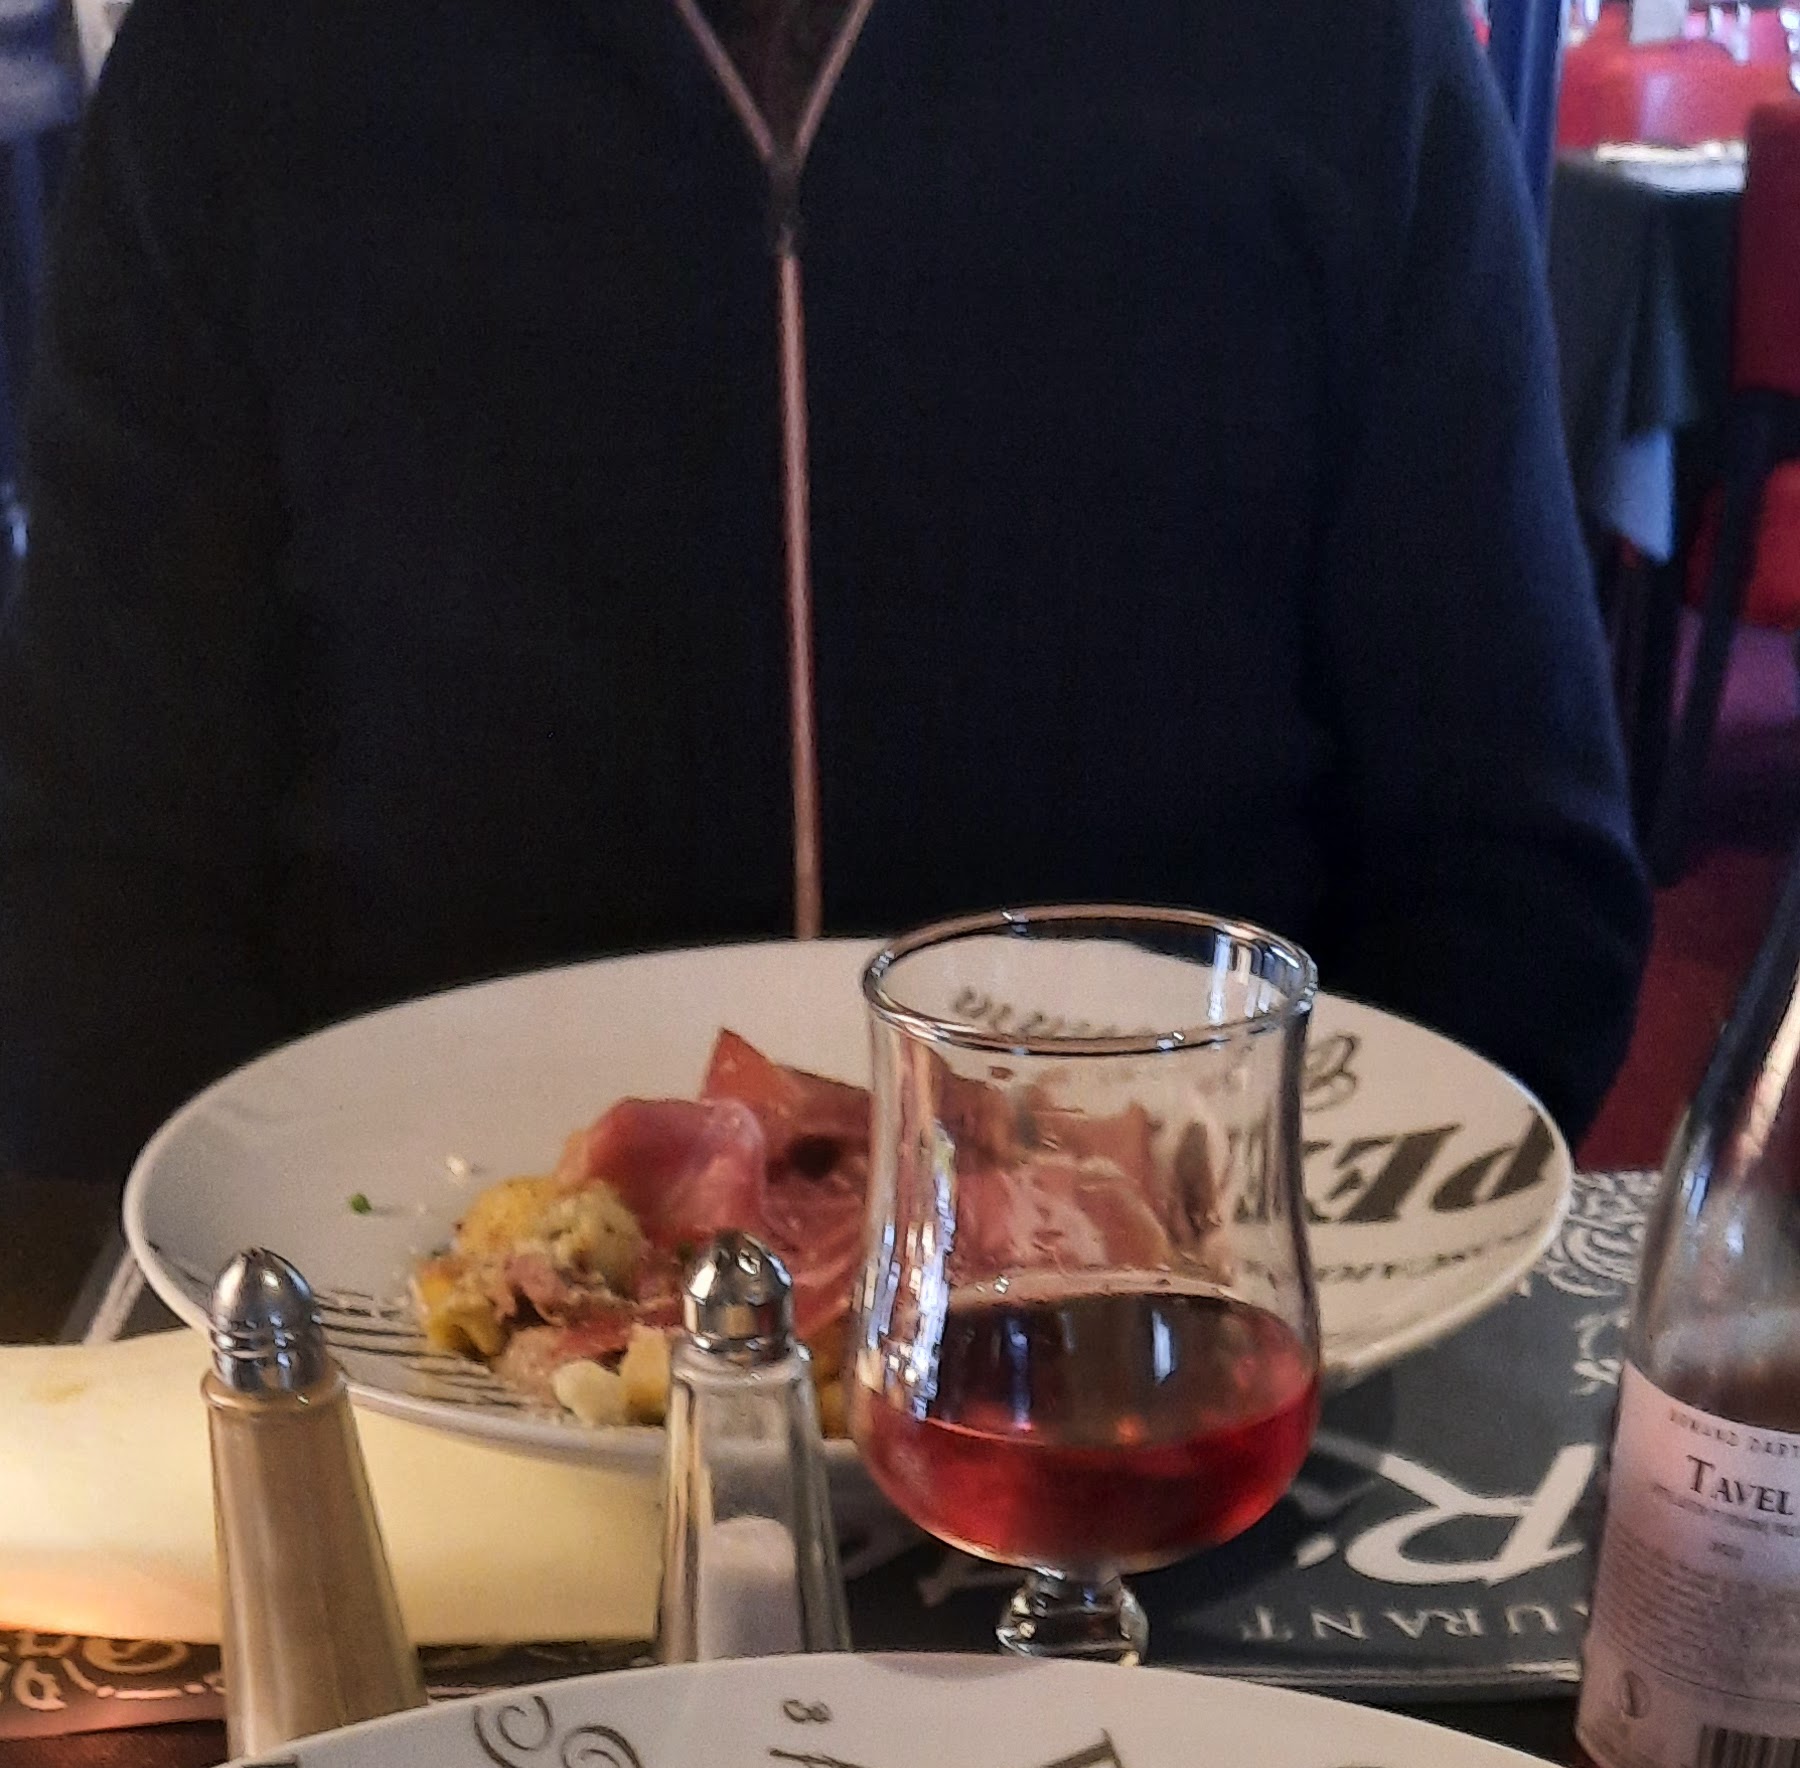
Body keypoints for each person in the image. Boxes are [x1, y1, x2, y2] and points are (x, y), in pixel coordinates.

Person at [0, 0, 1647, 1182]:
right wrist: (303, 1294)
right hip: (404, 1346)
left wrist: (1269, 1252)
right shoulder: (245, 59)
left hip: (1183, 1361)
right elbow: (94, 872)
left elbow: (1510, 868)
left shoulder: (1337, 46)